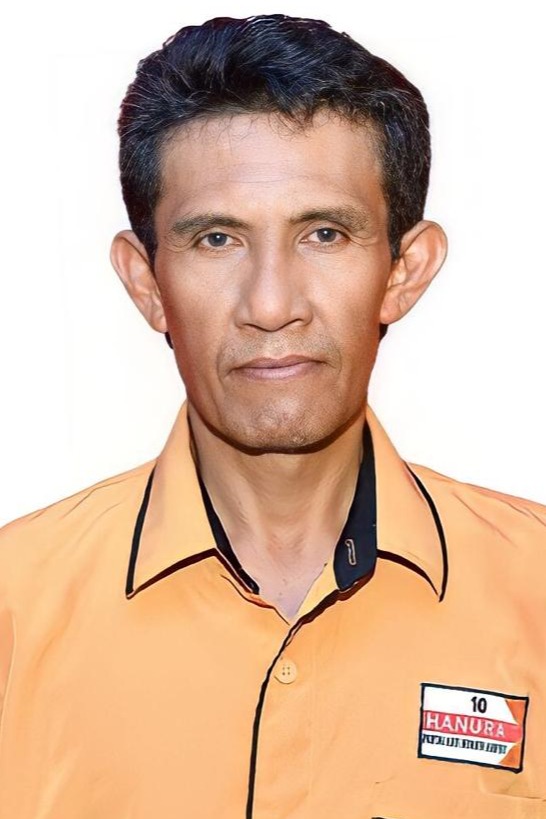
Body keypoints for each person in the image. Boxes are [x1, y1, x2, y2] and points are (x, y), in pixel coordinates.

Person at [0, 13, 544, 819]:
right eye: (217, 240)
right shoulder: (14, 608)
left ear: (404, 270)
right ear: (147, 284)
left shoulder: (535, 591)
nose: (271, 304)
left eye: (324, 233)